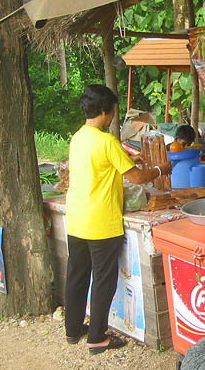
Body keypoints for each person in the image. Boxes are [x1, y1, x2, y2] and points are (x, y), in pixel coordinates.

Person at [65, 85, 172, 355]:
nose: (113, 116)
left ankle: (73, 329)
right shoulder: (107, 141)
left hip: (76, 219)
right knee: (103, 280)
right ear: (104, 111)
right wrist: (161, 168)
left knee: (77, 276)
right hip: (101, 222)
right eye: (112, 111)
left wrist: (130, 159)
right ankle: (97, 337)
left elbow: (105, 164)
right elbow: (135, 177)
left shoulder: (78, 138)